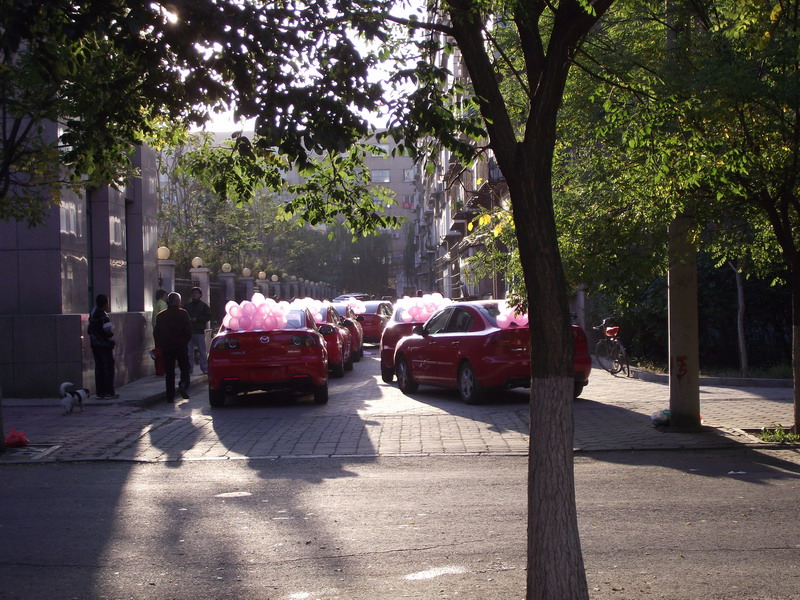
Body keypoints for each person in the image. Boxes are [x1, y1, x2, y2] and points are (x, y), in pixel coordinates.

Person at [153, 292, 192, 402]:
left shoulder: (161, 315)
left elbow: (156, 333)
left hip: (166, 347)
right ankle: (183, 385)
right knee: (185, 368)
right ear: (177, 301)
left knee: (169, 372)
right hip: (180, 346)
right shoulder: (183, 313)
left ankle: (170, 396)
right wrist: (184, 342)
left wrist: (161, 344)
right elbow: (188, 331)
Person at [88, 294, 118, 399]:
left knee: (99, 369)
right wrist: (113, 340)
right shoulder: (104, 316)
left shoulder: (92, 314)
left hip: (95, 345)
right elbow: (108, 332)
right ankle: (109, 392)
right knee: (108, 369)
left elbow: (89, 330)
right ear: (105, 304)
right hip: (104, 346)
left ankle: (100, 393)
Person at [184, 286, 212, 374]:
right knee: (189, 352)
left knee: (202, 352)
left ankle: (204, 368)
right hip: (189, 331)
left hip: (199, 331)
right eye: (193, 293)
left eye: (196, 293)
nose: (194, 294)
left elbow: (208, 316)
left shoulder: (203, 306)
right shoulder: (187, 306)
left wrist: (198, 319)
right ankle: (189, 369)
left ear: (200, 295)